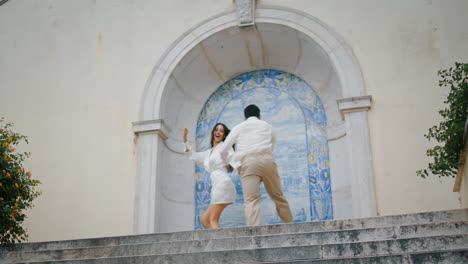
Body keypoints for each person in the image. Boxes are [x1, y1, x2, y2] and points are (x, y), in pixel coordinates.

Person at [217, 104, 293, 226]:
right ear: (259, 115)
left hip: (248, 164)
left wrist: (230, 163)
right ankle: (290, 224)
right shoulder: (268, 126)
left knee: (251, 200)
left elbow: (223, 150)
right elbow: (272, 144)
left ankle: (254, 233)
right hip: (268, 161)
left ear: (244, 117)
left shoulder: (239, 127)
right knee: (278, 196)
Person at [182, 123, 236, 229]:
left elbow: (233, 157)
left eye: (221, 131)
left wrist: (231, 163)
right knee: (204, 221)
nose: (218, 132)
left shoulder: (224, 147)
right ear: (213, 133)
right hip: (216, 185)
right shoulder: (208, 153)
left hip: (223, 183)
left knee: (212, 219)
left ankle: (221, 244)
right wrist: (185, 138)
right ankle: (220, 242)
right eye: (216, 130)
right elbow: (193, 155)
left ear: (224, 135)